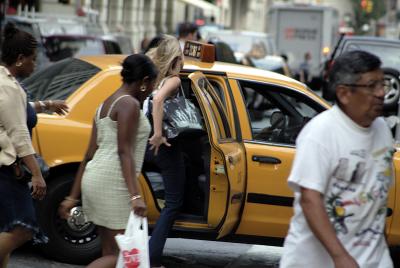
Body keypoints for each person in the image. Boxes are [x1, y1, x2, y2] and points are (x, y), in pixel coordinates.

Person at [280, 50, 394, 268]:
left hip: (373, 260)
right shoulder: (320, 133)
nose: (381, 93)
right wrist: (340, 257)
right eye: (372, 86)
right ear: (344, 93)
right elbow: (309, 199)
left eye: (383, 84)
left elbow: (375, 200)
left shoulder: (382, 131)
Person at [58, 54, 158, 268]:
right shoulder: (129, 104)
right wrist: (135, 195)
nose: (152, 90)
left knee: (110, 251)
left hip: (96, 179)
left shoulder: (105, 104)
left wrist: (72, 196)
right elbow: (124, 151)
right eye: (153, 85)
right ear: (144, 82)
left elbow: (88, 154)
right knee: (125, 255)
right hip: (114, 184)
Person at [0, 22, 48, 267]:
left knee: (7, 228)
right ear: (20, 59)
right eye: (33, 59)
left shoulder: (7, 81)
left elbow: (19, 110)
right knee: (23, 229)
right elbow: (18, 133)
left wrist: (46, 105)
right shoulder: (7, 87)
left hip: (8, 169)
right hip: (7, 171)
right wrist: (37, 174)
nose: (35, 64)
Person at [144, 34, 185, 268]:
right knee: (173, 204)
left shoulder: (153, 78)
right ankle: (152, 258)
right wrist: (158, 134)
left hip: (146, 146)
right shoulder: (173, 80)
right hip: (165, 148)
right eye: (180, 54)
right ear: (175, 57)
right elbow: (158, 101)